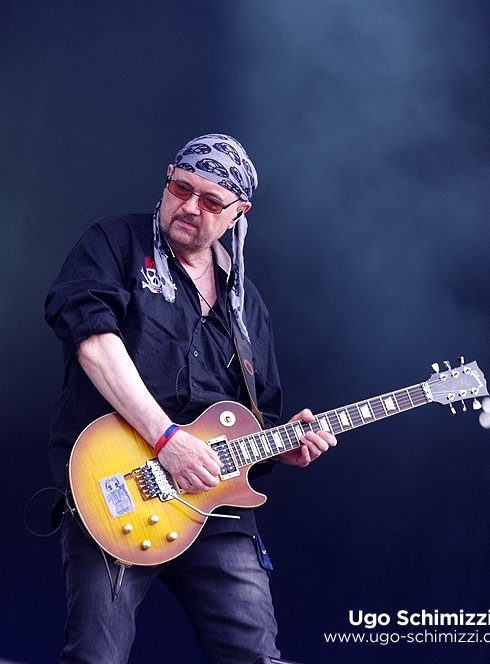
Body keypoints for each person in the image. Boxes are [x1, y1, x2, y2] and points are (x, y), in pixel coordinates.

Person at [45, 133, 336, 664]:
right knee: (95, 657)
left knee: (256, 657)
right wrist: (167, 439)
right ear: (168, 179)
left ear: (238, 213)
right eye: (181, 188)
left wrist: (281, 447)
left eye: (210, 201)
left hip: (214, 508)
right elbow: (92, 341)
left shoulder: (247, 305)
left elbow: (252, 422)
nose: (189, 206)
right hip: (118, 485)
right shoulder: (115, 242)